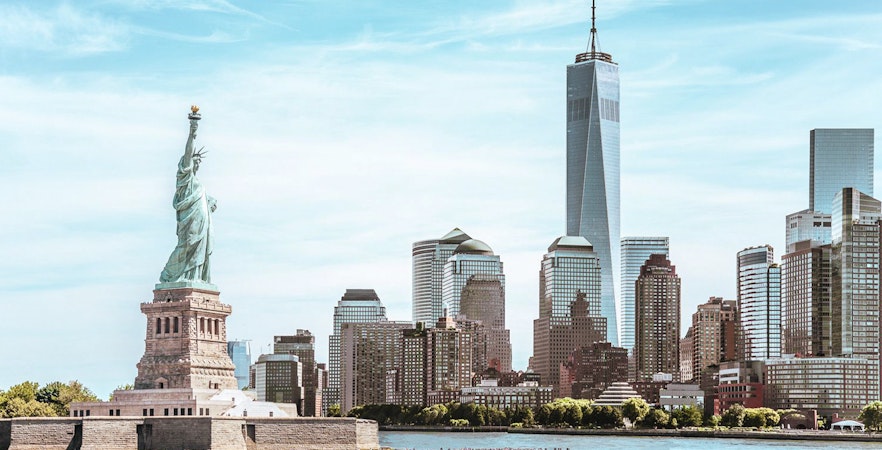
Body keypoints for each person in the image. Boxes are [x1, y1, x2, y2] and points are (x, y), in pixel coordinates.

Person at [159, 114, 215, 283]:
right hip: (189, 220)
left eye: (198, 162)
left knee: (199, 247)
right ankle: (169, 275)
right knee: (186, 245)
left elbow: (202, 198)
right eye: (193, 161)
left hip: (201, 221)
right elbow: (188, 152)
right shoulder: (185, 178)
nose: (196, 163)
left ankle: (195, 277)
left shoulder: (198, 184)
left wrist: (209, 202)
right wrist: (193, 132)